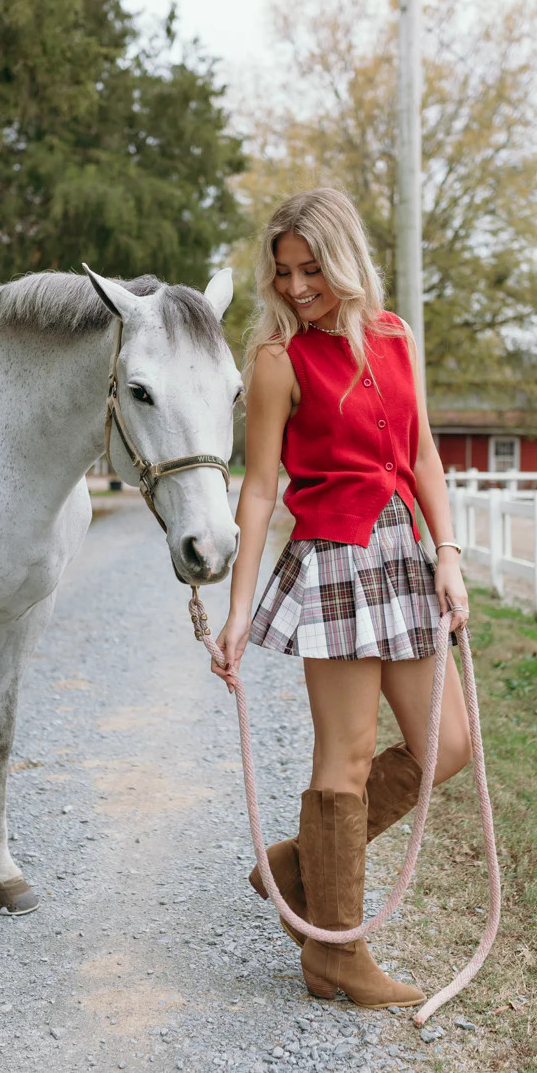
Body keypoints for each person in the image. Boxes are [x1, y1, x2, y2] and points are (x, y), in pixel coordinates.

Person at [212, 188, 472, 1010]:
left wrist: (448, 555)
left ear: (344, 258)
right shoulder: (276, 361)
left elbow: (422, 455)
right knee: (348, 760)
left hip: (401, 554)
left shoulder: (394, 338)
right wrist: (236, 608)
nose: (294, 287)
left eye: (310, 268)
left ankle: (297, 867)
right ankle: (335, 953)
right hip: (333, 561)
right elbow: (257, 491)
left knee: (450, 745)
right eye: (283, 272)